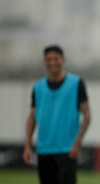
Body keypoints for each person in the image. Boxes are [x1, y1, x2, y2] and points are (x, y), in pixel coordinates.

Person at [23, 45, 91, 184]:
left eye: (56, 59)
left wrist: (77, 143)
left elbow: (87, 115)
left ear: (63, 60)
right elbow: (32, 118)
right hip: (44, 150)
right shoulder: (38, 87)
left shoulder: (76, 83)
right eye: (49, 59)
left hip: (67, 150)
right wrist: (27, 146)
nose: (52, 62)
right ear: (44, 62)